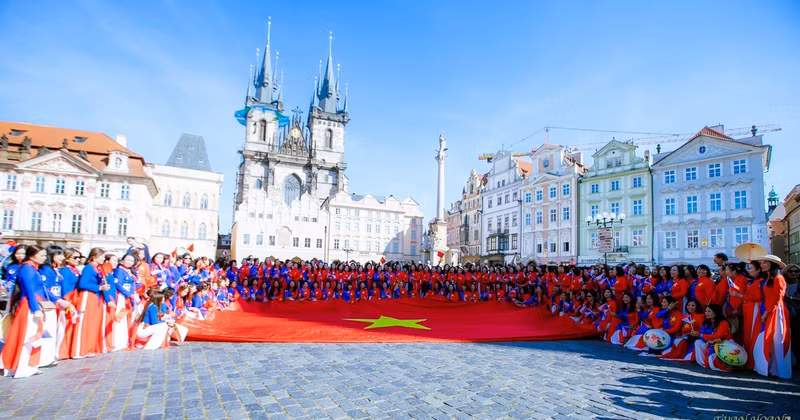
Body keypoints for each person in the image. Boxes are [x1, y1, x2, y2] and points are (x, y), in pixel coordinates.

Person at [0, 245, 57, 378]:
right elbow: (30, 291)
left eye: (44, 255)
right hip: (29, 306)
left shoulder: (33, 269)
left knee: (33, 336)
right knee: (28, 336)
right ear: (32, 256)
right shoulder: (28, 270)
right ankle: (23, 367)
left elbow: (41, 289)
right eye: (42, 255)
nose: (44, 258)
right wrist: (36, 309)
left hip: (34, 304)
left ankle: (30, 366)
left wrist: (57, 300)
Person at [753, 255, 792, 379]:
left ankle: (779, 369)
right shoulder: (770, 277)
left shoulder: (778, 278)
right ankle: (771, 367)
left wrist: (767, 312)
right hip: (770, 310)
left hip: (776, 312)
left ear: (772, 264)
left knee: (778, 340)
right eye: (762, 263)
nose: (763, 265)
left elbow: (777, 298)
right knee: (770, 340)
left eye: (765, 263)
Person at [70, 248, 111, 359]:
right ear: (94, 257)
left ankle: (90, 347)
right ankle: (80, 350)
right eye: (102, 256)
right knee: (85, 322)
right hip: (88, 296)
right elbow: (83, 283)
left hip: (96, 296)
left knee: (93, 322)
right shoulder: (88, 268)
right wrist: (99, 287)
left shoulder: (98, 268)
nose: (103, 259)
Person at [692, 304, 733, 371]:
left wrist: (703, 336)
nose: (706, 313)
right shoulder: (705, 322)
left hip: (723, 342)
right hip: (710, 342)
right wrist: (707, 340)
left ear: (715, 312)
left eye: (709, 311)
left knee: (715, 344)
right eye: (706, 311)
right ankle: (703, 363)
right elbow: (701, 336)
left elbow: (718, 335)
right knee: (698, 342)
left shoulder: (723, 322)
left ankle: (723, 363)